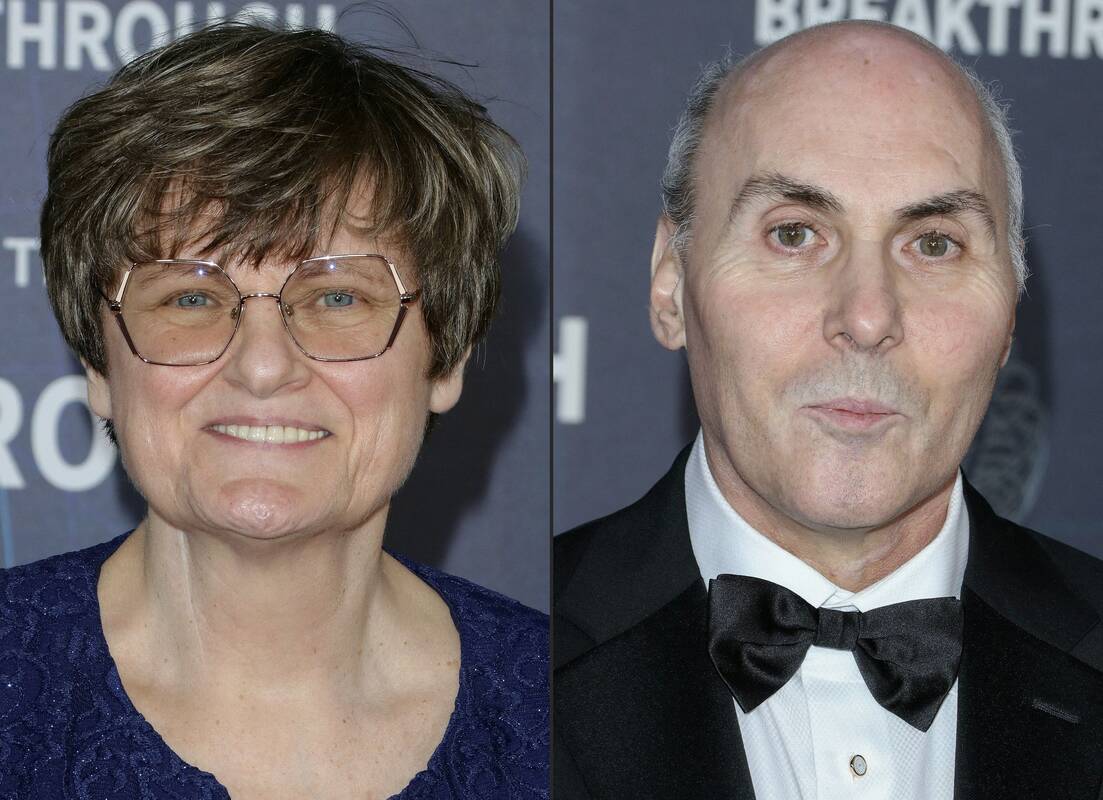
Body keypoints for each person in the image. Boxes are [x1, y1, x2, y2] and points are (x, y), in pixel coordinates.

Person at [554, 20, 1103, 800]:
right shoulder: (507, 654)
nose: (867, 316)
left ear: (1010, 312)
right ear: (669, 284)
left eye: (933, 243)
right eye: (794, 234)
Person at [0, 21, 547, 799]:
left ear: (446, 354)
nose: (262, 366)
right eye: (190, 298)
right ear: (98, 361)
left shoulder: (569, 710)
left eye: (337, 297)